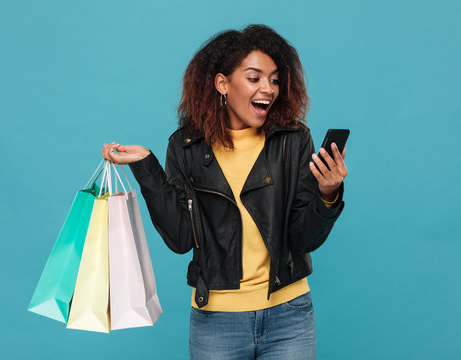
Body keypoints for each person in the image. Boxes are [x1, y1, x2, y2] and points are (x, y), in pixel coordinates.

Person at [102, 24, 347, 360]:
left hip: (289, 315)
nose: (268, 89)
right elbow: (179, 239)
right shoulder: (186, 147)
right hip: (217, 322)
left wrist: (328, 193)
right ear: (222, 84)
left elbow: (303, 239)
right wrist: (146, 166)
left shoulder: (293, 139)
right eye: (254, 77)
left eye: (274, 79)